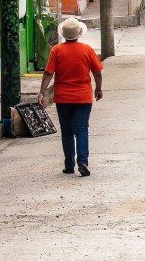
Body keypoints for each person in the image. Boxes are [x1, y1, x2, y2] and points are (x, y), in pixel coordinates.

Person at [37, 18, 105, 177]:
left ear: (64, 35)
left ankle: (69, 165)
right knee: (82, 130)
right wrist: (99, 89)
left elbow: (48, 73)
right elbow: (97, 72)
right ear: (79, 34)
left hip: (63, 98)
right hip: (83, 97)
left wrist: (42, 92)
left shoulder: (56, 50)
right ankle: (82, 162)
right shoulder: (87, 50)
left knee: (67, 131)